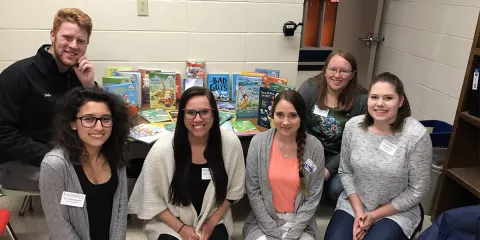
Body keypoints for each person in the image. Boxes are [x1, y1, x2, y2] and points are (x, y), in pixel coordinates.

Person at [324, 72, 432, 240]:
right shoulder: (354, 127)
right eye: (374, 97)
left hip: (396, 211)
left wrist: (374, 216)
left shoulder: (416, 136)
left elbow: (418, 190)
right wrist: (360, 213)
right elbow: (346, 172)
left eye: (388, 98)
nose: (379, 104)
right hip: (356, 204)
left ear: (400, 101)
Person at [128, 87, 245, 240]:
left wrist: (212, 222)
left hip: (213, 219)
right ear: (181, 116)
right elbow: (152, 200)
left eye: (204, 112)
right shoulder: (162, 150)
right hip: (171, 225)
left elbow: (233, 191)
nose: (198, 119)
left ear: (214, 114)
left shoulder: (230, 143)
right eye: (191, 113)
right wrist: (182, 229)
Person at [0, 8, 96, 191]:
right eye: (67, 37)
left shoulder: (76, 75)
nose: (74, 46)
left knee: (108, 168)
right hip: (16, 162)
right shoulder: (18, 75)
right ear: (52, 35)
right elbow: (2, 133)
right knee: (82, 183)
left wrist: (89, 86)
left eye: (81, 41)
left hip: (63, 153)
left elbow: (101, 114)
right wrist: (52, 157)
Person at [39, 87, 133, 240]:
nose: (99, 127)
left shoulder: (116, 156)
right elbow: (58, 225)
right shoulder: (55, 165)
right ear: (73, 123)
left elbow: (121, 210)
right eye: (88, 119)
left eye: (105, 119)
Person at [243, 90, 325, 240]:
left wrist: (293, 235)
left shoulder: (314, 147)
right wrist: (273, 233)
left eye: (292, 115)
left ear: (301, 117)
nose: (285, 122)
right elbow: (253, 192)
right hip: (264, 222)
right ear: (272, 115)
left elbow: (313, 197)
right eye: (280, 115)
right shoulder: (258, 143)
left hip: (301, 224)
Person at [297, 50, 368, 201]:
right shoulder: (310, 88)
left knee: (336, 190)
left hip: (341, 155)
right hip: (309, 149)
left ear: (352, 74)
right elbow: (295, 122)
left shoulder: (362, 100)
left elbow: (357, 143)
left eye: (343, 71)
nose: (337, 75)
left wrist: (329, 169)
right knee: (299, 178)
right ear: (325, 70)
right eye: (332, 69)